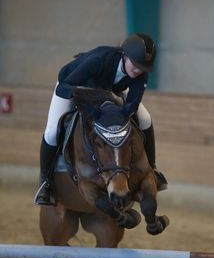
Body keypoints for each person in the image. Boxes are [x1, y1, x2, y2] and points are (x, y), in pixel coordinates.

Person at [34, 32, 168, 206]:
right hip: (75, 86)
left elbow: (132, 105)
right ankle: (46, 183)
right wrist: (81, 95)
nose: (139, 71)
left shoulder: (140, 71)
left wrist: (120, 113)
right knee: (52, 131)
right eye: (135, 65)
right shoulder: (99, 60)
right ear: (124, 55)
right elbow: (64, 87)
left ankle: (153, 168)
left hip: (109, 90)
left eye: (143, 68)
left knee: (145, 118)